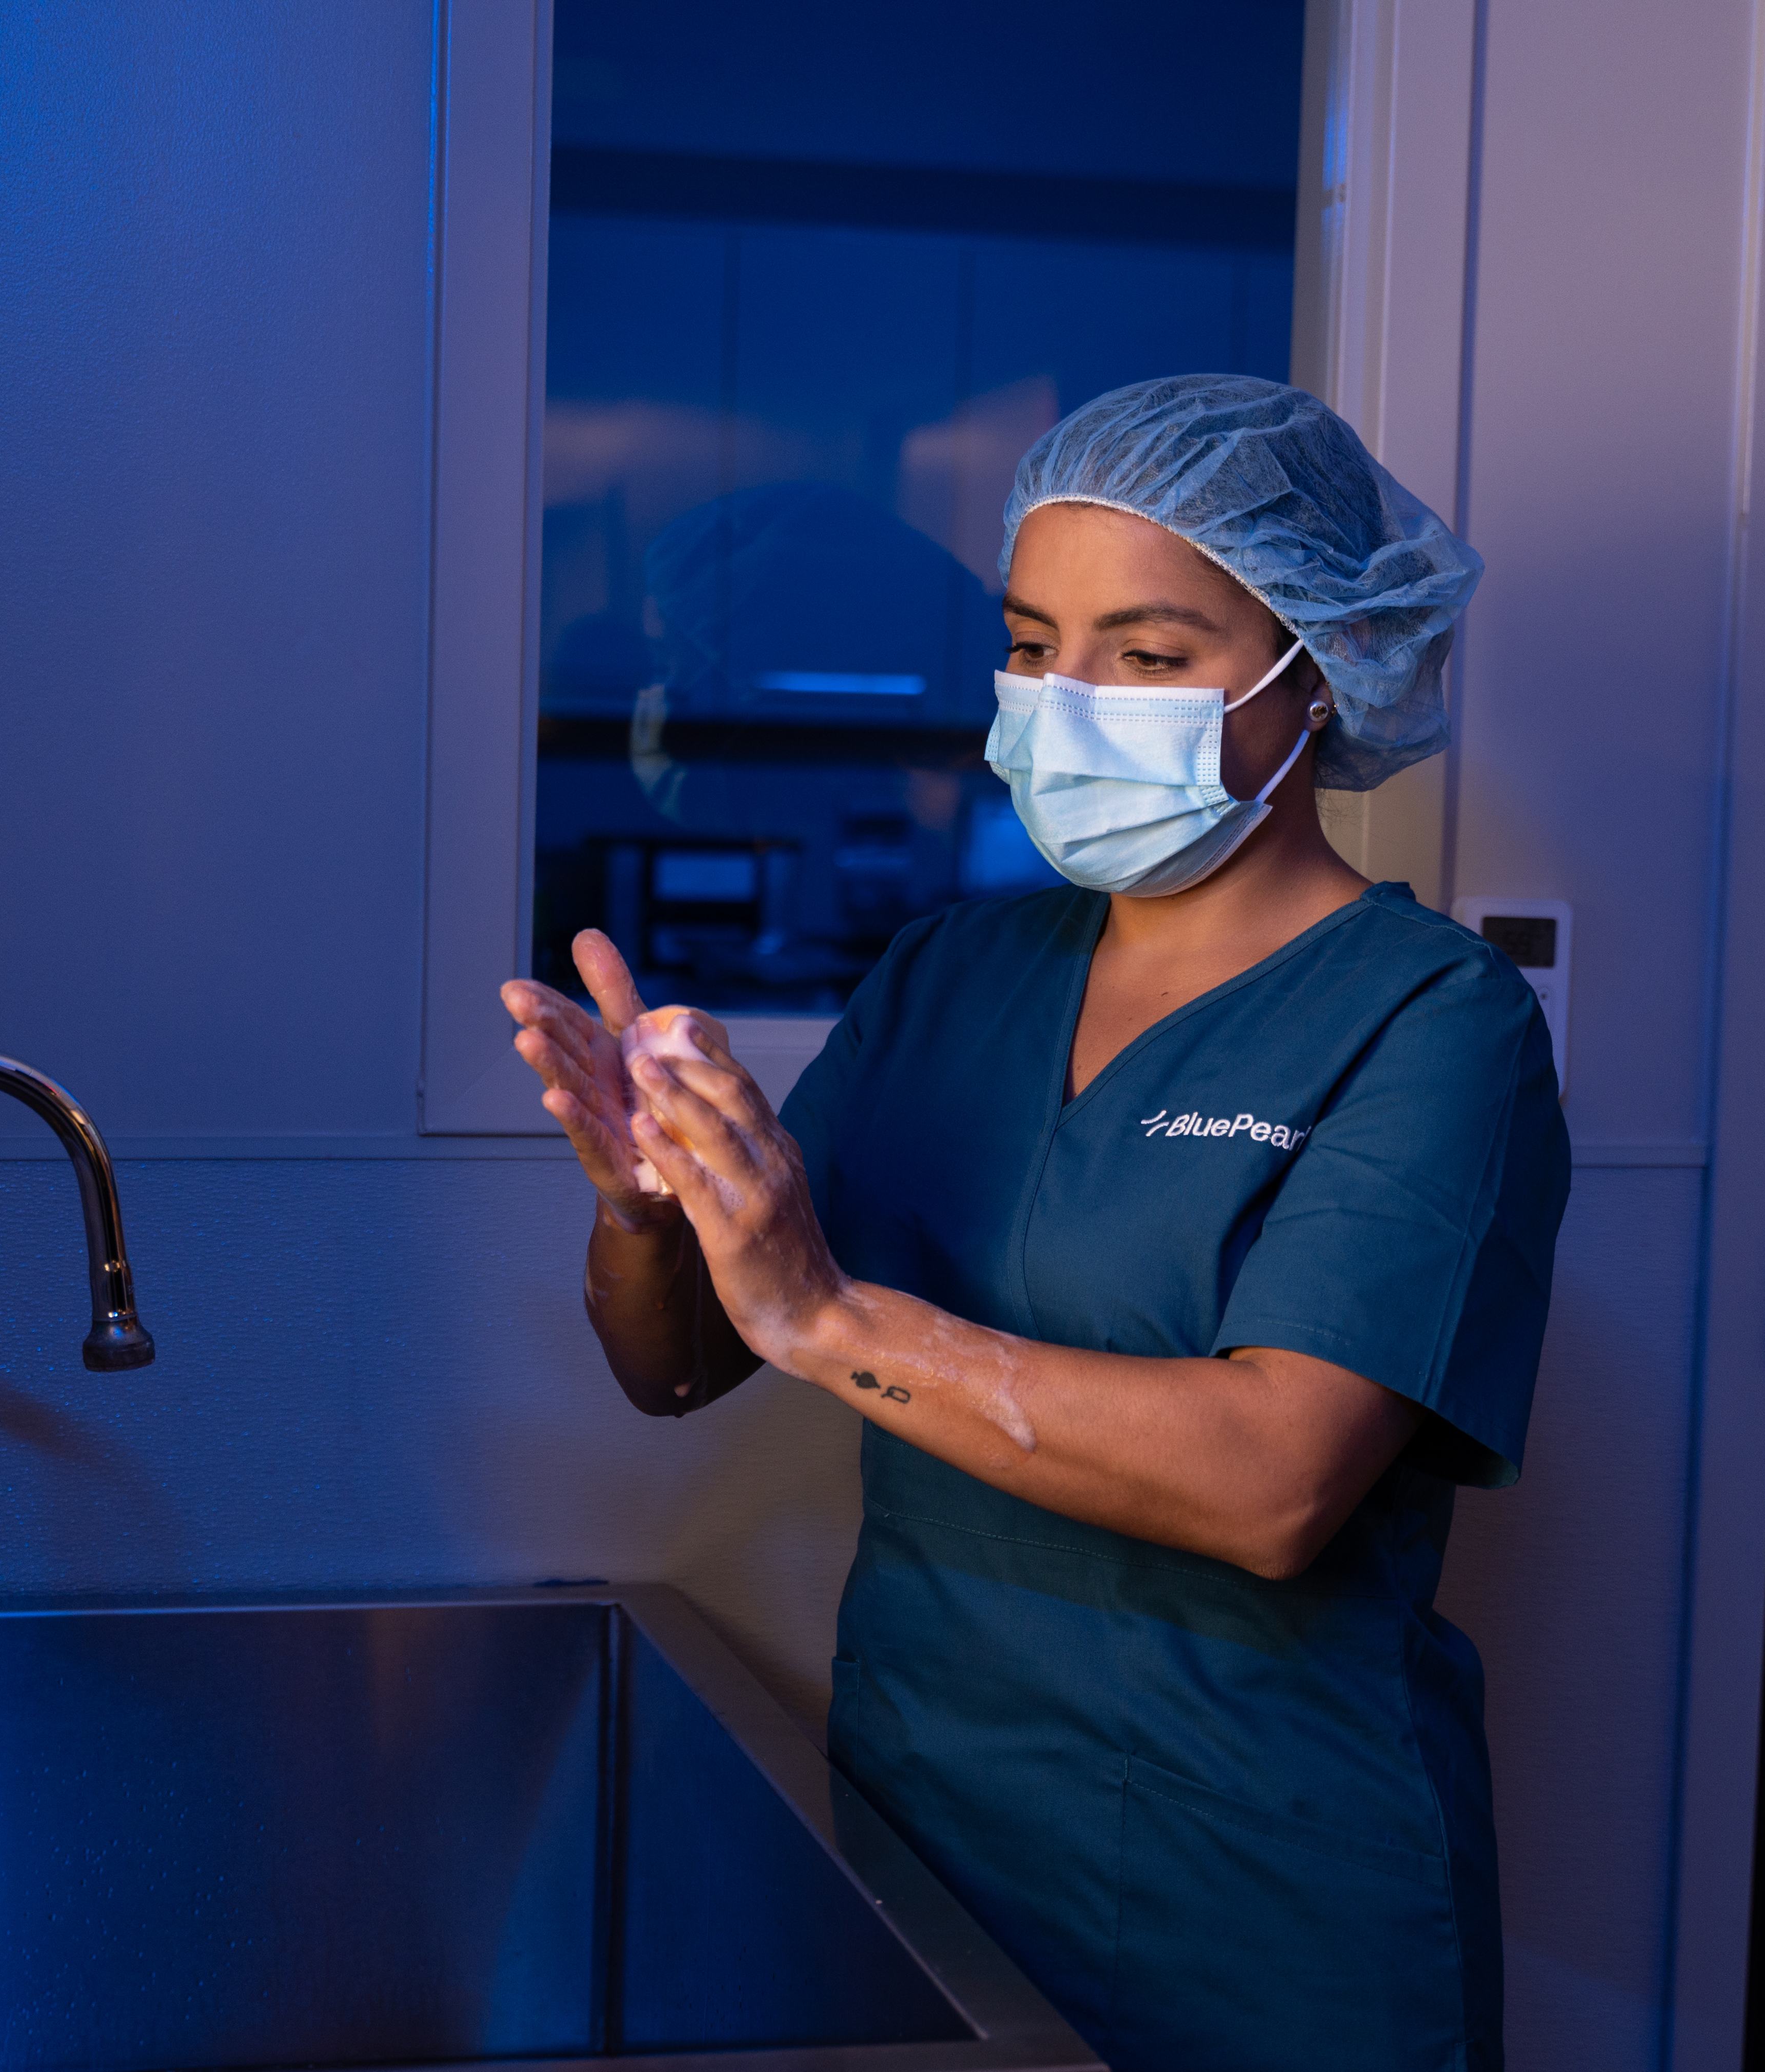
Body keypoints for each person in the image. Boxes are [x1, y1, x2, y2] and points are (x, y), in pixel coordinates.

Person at [502, 374, 1566, 2071]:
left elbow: (1276, 1485)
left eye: (1149, 658)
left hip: (1269, 1892)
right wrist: (650, 1207)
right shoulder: (952, 974)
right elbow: (685, 1367)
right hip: (931, 1839)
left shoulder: (1433, 1022)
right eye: (1031, 642)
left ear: (1321, 669)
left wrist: (836, 1323)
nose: (1071, 703)